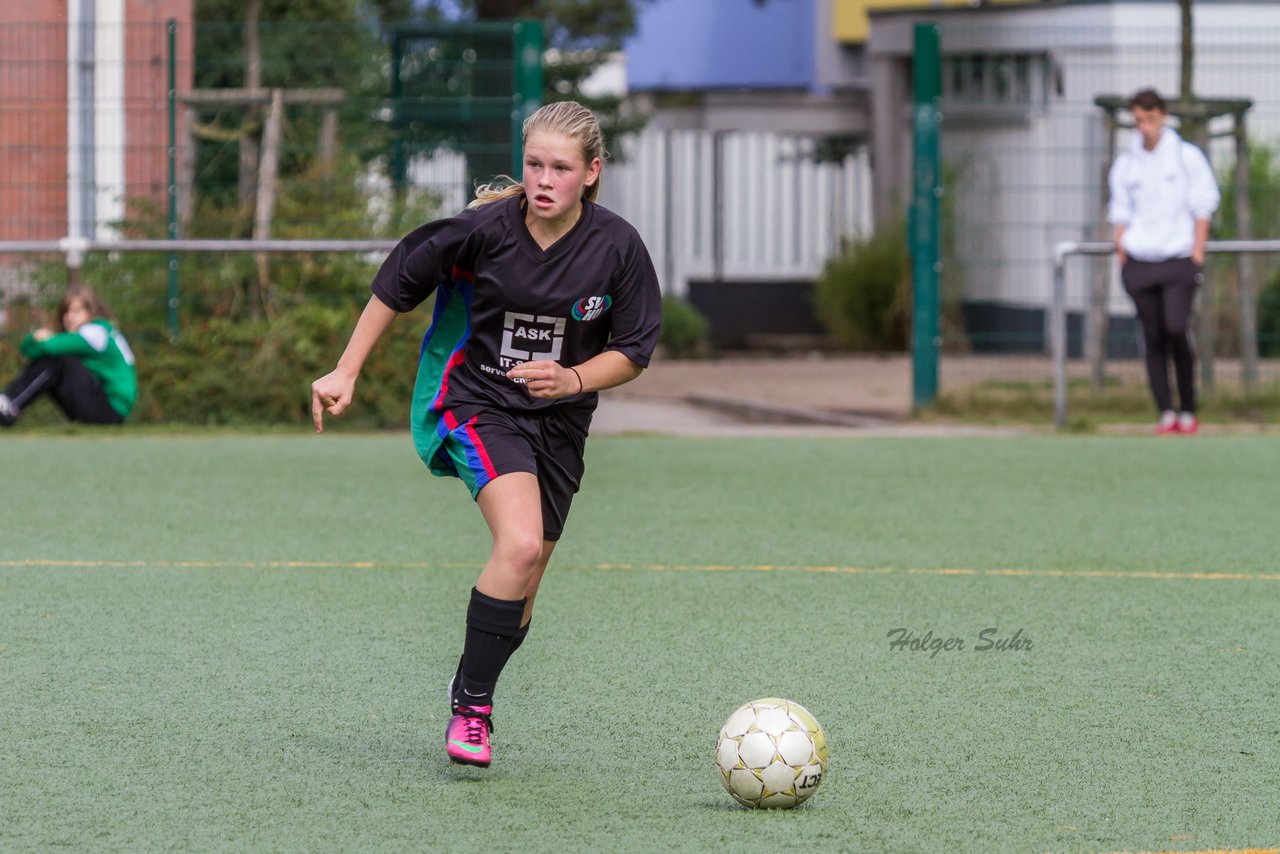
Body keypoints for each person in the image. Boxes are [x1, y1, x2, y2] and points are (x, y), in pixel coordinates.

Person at [310, 101, 662, 768]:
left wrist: (575, 379)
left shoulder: (617, 247)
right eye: (534, 164)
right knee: (520, 544)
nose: (544, 179)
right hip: (478, 404)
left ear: (592, 172)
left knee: (522, 593)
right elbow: (397, 281)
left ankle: (475, 679)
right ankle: (472, 712)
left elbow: (635, 349)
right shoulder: (482, 232)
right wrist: (346, 369)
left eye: (561, 167)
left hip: (561, 423)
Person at [1108, 88, 1220, 435]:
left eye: (1150, 119)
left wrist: (1197, 251)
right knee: (1152, 336)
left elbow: (1203, 203)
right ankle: (1165, 412)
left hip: (1178, 260)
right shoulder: (1127, 162)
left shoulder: (1186, 157)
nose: (1144, 127)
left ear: (1163, 116)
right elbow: (1120, 210)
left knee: (1176, 328)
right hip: (1140, 262)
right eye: (1138, 120)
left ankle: (1188, 407)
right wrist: (1122, 248)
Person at [0, 285, 137, 427]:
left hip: (109, 411)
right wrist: (35, 338)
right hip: (106, 407)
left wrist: (39, 339)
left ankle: (9, 405)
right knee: (55, 359)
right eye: (66, 311)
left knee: (58, 360)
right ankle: (8, 404)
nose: (69, 317)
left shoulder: (94, 333)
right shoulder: (94, 332)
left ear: (90, 312)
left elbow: (48, 347)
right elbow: (26, 349)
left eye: (77, 311)